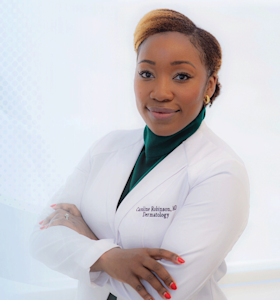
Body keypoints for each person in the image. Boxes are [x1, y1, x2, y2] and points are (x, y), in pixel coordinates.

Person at [29, 8, 250, 300]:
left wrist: (85, 246)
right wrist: (108, 257)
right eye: (147, 73)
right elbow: (41, 239)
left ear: (209, 85)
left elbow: (161, 290)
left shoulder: (221, 172)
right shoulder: (106, 148)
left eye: (181, 76)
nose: (160, 92)